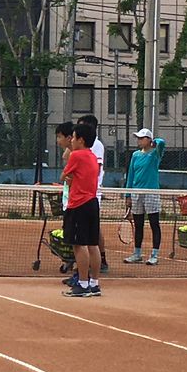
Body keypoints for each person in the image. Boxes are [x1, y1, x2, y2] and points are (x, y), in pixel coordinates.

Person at [61, 123, 102, 298]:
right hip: (92, 203)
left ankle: (83, 284)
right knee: (93, 244)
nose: (71, 140)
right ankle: (94, 284)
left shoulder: (76, 155)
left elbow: (63, 176)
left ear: (81, 140)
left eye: (74, 137)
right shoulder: (92, 156)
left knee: (79, 245)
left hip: (78, 205)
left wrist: (69, 178)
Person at [124, 128, 166, 265]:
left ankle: (154, 255)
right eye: (138, 138)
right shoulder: (135, 155)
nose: (139, 140)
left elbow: (162, 142)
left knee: (154, 223)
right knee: (138, 224)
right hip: (136, 193)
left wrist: (154, 142)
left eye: (142, 138)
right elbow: (131, 175)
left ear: (149, 140)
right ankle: (137, 254)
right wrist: (128, 195)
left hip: (151, 193)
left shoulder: (155, 154)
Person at [77, 114, 109, 274]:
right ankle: (83, 261)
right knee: (86, 228)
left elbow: (95, 169)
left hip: (92, 194)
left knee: (92, 229)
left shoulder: (96, 145)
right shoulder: (80, 146)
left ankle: (101, 259)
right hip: (82, 193)